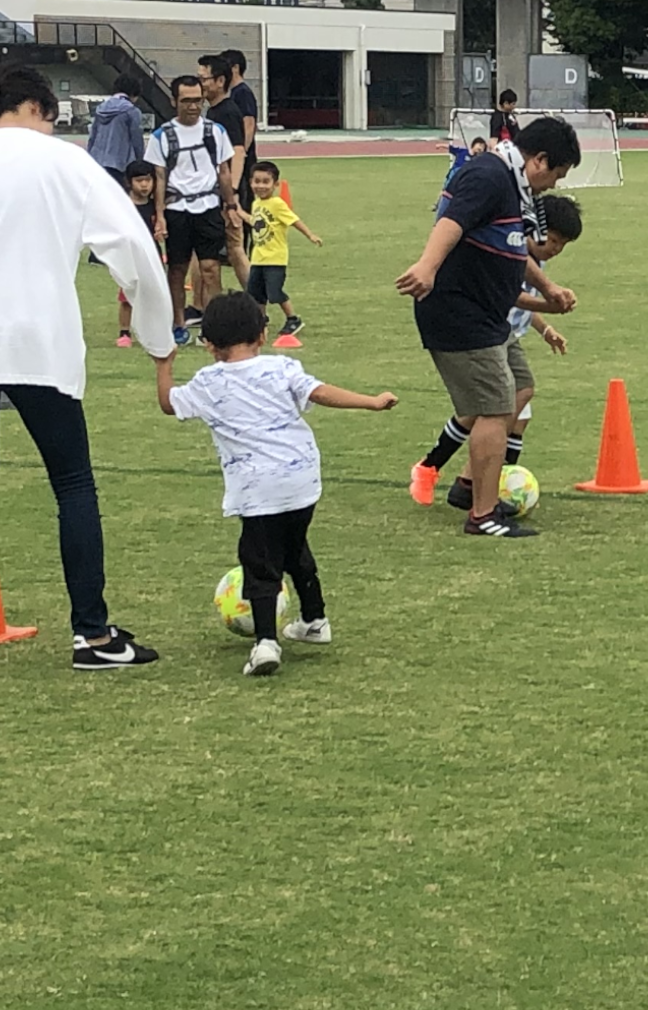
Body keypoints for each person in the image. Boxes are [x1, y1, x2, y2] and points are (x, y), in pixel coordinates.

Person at [0, 64, 176, 670]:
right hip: (36, 338)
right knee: (73, 483)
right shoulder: (65, 163)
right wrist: (159, 335)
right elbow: (131, 246)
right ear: (37, 111)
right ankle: (93, 635)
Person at [162, 288, 398, 676]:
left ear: (208, 344)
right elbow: (320, 393)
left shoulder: (209, 381)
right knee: (293, 548)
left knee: (258, 563)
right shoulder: (282, 367)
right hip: (303, 479)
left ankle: (266, 643)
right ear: (262, 335)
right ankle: (314, 621)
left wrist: (163, 365)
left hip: (258, 489)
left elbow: (169, 403)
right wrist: (370, 401)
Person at [397, 114, 579, 537]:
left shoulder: (514, 183)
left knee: (519, 386)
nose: (554, 184)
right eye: (558, 174)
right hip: (459, 309)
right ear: (540, 160)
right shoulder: (490, 175)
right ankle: (482, 515)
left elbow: (513, 250)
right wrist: (427, 266)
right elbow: (450, 222)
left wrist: (548, 287)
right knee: (496, 407)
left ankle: (467, 486)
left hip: (489, 313)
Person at [423, 193, 581, 510]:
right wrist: (550, 304)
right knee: (498, 404)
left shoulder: (537, 261)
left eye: (562, 245)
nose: (555, 248)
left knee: (515, 408)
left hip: (505, 335)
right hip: (487, 332)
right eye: (552, 240)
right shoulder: (512, 253)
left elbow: (524, 309)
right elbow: (512, 297)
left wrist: (546, 328)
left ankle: (477, 481)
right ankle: (461, 479)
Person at [149, 75, 237, 339]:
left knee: (211, 268)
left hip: (208, 207)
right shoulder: (161, 136)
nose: (193, 106)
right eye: (186, 100)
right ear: (174, 101)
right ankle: (178, 323)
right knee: (177, 269)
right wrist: (161, 215)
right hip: (177, 210)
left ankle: (212, 326)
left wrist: (230, 205)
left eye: (197, 100)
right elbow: (160, 177)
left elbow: (224, 171)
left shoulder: (215, 132)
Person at [243, 157, 321, 345]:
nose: (260, 186)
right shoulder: (256, 204)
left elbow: (294, 220)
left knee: (275, 292)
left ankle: (293, 318)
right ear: (250, 182)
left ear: (275, 184)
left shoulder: (277, 204)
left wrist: (310, 235)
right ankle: (259, 323)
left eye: (265, 182)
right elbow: (256, 223)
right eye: (256, 181)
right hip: (258, 258)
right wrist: (236, 212)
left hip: (275, 258)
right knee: (256, 294)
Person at [203, 50, 261, 285]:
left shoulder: (235, 101)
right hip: (222, 184)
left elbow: (244, 135)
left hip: (231, 182)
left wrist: (233, 190)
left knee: (235, 247)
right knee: (218, 250)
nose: (201, 84)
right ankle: (200, 305)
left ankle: (256, 303)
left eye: (204, 78)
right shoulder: (215, 109)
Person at [114, 160, 165, 348]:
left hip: (152, 257)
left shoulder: (155, 207)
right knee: (127, 296)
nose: (144, 185)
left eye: (148, 180)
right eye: (139, 181)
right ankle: (124, 332)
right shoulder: (123, 205)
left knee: (154, 295)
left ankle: (154, 330)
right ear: (129, 182)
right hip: (129, 257)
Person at [86, 76, 146, 189]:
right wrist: (140, 162)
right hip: (120, 165)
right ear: (133, 93)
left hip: (96, 162)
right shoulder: (131, 111)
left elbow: (92, 138)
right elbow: (137, 140)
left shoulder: (100, 109)